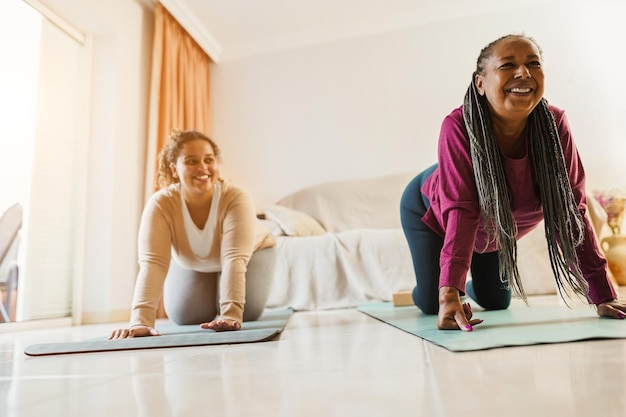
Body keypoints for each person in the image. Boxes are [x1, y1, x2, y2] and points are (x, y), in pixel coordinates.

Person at [400, 34, 626, 332]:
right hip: (431, 210)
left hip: (496, 225)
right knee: (433, 302)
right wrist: (448, 291)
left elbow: (571, 211)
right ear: (480, 83)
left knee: (496, 301)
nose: (524, 73)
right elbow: (463, 210)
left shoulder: (555, 125)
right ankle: (427, 286)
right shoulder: (457, 126)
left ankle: (465, 282)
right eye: (508, 65)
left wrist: (603, 295)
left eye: (534, 63)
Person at [110, 129, 276, 338]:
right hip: (195, 262)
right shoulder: (161, 204)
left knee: (248, 312)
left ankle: (228, 299)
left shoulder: (235, 197)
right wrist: (139, 322)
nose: (203, 168)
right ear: (174, 168)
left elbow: (235, 258)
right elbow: (153, 264)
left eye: (209, 160)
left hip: (253, 253)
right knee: (186, 316)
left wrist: (230, 314)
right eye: (191, 161)